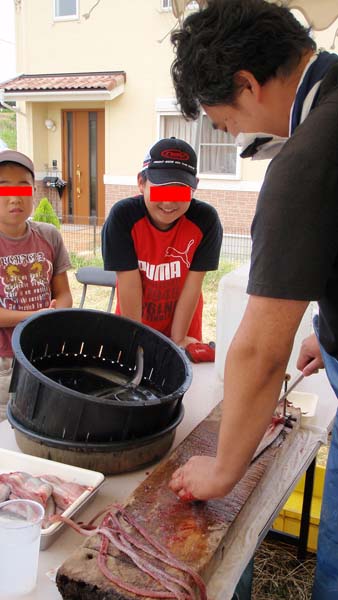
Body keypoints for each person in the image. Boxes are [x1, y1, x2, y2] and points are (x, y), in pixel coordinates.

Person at [167, 1, 338, 598]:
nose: (237, 135)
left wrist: (222, 470)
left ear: (246, 83)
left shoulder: (309, 157)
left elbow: (262, 350)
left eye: (225, 120)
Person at [101, 137, 223, 348]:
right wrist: (136, 340)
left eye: (180, 191)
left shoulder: (206, 220)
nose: (168, 202)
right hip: (134, 325)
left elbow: (193, 285)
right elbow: (129, 284)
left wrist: (178, 340)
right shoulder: (123, 217)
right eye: (161, 190)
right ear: (141, 183)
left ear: (195, 187)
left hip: (184, 327)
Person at [0, 150, 72, 421]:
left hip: (43, 353)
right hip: (4, 362)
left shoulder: (48, 235)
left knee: (42, 420)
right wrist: (36, 317)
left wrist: (56, 312)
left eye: (23, 187)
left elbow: (63, 293)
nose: (15, 198)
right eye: (3, 189)